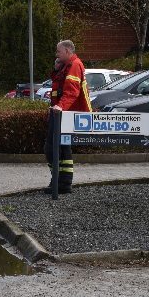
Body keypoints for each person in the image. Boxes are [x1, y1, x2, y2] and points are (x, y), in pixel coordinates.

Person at [44, 40, 92, 194]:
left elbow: (72, 92)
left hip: (65, 113)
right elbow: (59, 88)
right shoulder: (66, 66)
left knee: (60, 148)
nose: (56, 54)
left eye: (58, 52)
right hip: (60, 113)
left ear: (67, 51)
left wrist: (60, 107)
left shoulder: (75, 65)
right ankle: (58, 181)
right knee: (54, 148)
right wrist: (56, 69)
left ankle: (63, 183)